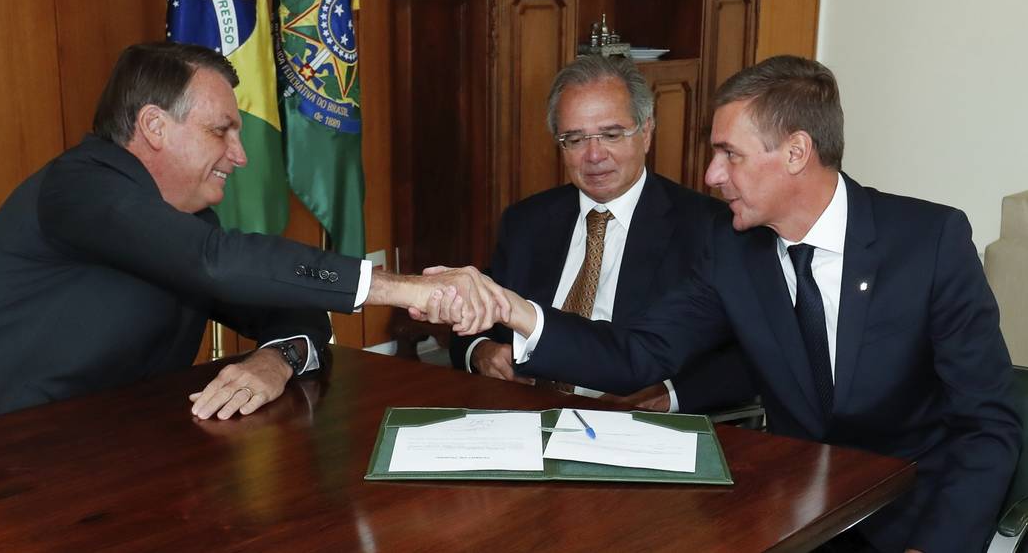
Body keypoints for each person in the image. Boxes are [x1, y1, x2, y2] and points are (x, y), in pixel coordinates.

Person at [432, 56, 1020, 553]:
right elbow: (637, 354)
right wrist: (512, 310)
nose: (712, 175)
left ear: (795, 153)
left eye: (729, 154)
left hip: (913, 515)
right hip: (794, 514)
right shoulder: (733, 250)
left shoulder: (928, 241)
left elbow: (987, 426)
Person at [0, 42, 507, 429]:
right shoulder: (79, 187)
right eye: (221, 132)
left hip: (113, 459)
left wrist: (276, 359)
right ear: (154, 127)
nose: (238, 156)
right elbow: (218, 262)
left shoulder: (187, 221)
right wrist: (403, 290)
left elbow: (287, 302)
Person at [448, 55, 754, 413]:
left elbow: (748, 356)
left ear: (647, 132)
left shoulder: (709, 228)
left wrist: (668, 394)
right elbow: (475, 314)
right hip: (525, 414)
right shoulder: (527, 221)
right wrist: (480, 352)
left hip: (636, 429)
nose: (594, 155)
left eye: (611, 135)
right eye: (575, 139)